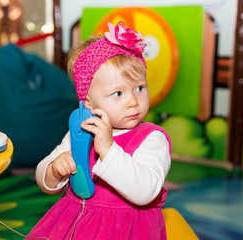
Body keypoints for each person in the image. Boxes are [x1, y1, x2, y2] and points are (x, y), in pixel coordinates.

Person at [26, 21, 172, 240]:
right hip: (76, 224)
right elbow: (43, 175)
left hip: (128, 229)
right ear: (88, 103)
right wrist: (54, 171)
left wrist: (108, 148)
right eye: (118, 93)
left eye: (139, 88)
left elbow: (145, 192)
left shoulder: (152, 139)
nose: (133, 101)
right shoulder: (82, 130)